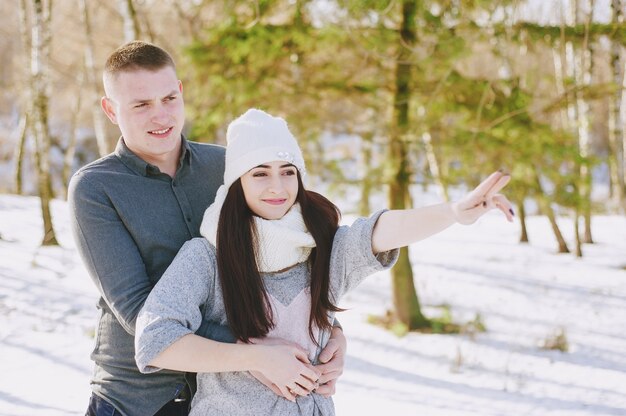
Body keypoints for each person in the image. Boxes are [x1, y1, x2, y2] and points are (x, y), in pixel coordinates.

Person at [134, 109, 514, 415]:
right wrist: (257, 358)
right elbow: (155, 341)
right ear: (237, 184)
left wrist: (452, 213)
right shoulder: (208, 256)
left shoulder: (322, 249)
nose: (277, 187)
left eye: (288, 173)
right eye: (260, 174)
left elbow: (383, 229)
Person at [68, 42, 347, 416]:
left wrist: (329, 333)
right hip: (137, 399)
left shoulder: (229, 167)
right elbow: (139, 312)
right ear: (110, 110)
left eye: (169, 98)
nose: (161, 115)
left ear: (181, 92)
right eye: (141, 104)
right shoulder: (95, 188)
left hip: (232, 398)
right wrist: (261, 351)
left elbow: (289, 254)